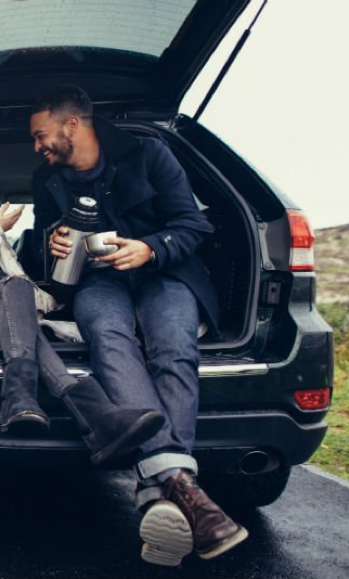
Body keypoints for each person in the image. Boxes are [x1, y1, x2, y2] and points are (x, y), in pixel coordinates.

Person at [28, 86, 247, 566]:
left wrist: (150, 247)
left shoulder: (149, 152)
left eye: (41, 135)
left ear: (72, 124)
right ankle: (181, 489)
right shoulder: (45, 181)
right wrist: (53, 245)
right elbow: (38, 253)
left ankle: (160, 489)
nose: (38, 147)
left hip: (165, 272)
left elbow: (193, 225)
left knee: (173, 348)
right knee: (109, 340)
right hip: (96, 283)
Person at [0, 130, 164, 466]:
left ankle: (21, 397)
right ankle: (95, 417)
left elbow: (10, 265)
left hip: (8, 290)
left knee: (18, 288)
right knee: (27, 328)